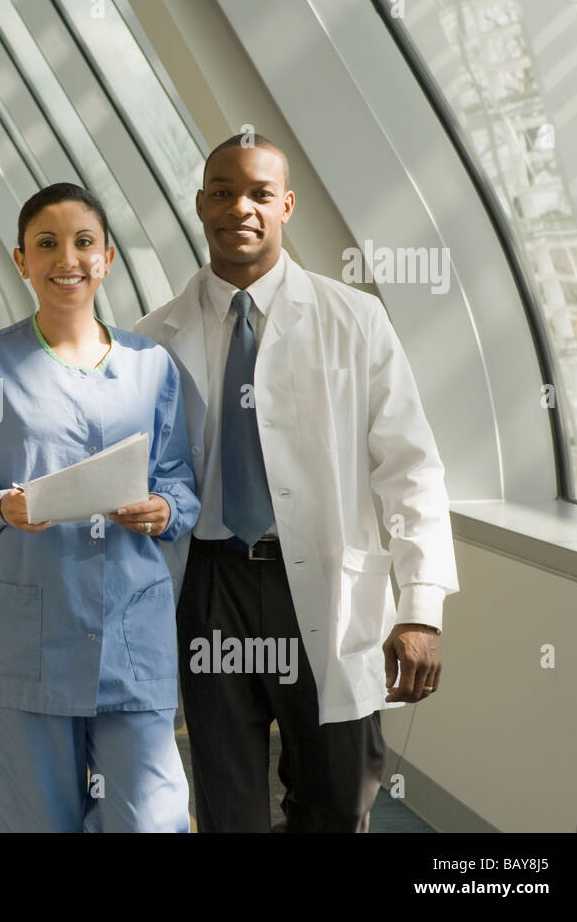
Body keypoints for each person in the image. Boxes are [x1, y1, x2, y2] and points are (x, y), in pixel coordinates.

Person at [134, 134, 459, 832]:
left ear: (286, 204)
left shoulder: (356, 320)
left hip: (322, 584)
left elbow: (411, 467)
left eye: (257, 193)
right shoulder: (153, 338)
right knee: (228, 802)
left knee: (340, 797)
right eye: (222, 192)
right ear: (200, 205)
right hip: (208, 588)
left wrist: (421, 606)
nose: (239, 208)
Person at [0, 183, 200, 833]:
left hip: (130, 640)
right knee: (32, 823)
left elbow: (182, 484)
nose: (67, 259)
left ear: (107, 257)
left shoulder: (152, 366)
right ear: (21, 259)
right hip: (23, 643)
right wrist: (4, 506)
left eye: (84, 243)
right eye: (47, 244)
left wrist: (163, 510)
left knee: (147, 821)